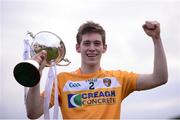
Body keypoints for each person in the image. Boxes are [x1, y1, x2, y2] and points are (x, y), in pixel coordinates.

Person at [26, 20, 168, 119]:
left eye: (97, 43)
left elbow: (159, 78)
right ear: (78, 47)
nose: (92, 48)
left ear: (104, 48)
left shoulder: (119, 79)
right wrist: (35, 74)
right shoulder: (62, 81)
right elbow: (33, 113)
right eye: (86, 43)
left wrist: (156, 38)